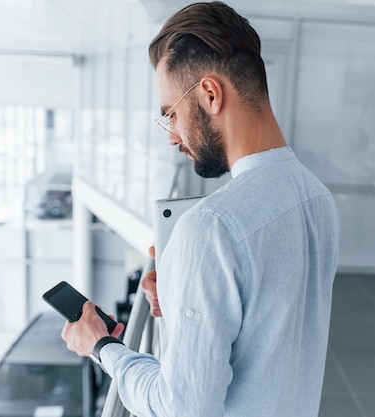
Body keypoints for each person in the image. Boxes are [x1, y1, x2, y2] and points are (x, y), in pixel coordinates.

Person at [60, 2, 339, 416]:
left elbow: (183, 409)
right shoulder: (317, 197)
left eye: (170, 114)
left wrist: (103, 347)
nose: (172, 136)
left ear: (210, 93)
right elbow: (265, 337)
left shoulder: (212, 227)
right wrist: (182, 296)